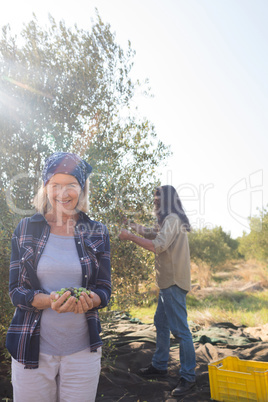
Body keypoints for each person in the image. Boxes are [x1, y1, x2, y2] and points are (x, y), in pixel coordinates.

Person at [6, 152, 111, 402]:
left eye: (71, 185)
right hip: (31, 349)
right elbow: (15, 290)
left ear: (82, 188)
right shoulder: (25, 229)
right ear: (46, 187)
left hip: (82, 353)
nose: (63, 193)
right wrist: (49, 301)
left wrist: (92, 299)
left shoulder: (97, 231)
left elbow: (105, 289)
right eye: (56, 185)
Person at [119, 185, 196, 397]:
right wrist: (132, 226)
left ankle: (188, 376)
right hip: (167, 284)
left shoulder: (172, 220)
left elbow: (157, 246)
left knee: (181, 331)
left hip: (173, 282)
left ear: (166, 200)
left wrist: (130, 237)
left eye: (157, 199)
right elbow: (151, 233)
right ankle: (160, 366)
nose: (155, 202)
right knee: (161, 323)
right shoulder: (169, 221)